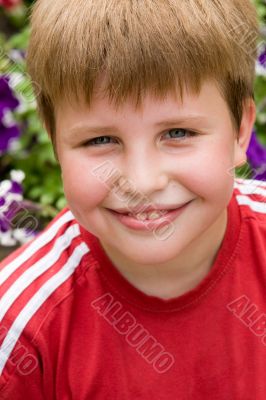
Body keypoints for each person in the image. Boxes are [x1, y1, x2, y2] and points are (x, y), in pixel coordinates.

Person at [0, 0, 265, 398]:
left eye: (178, 133)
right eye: (101, 140)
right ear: (55, 143)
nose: (141, 181)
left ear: (241, 132)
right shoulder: (20, 329)